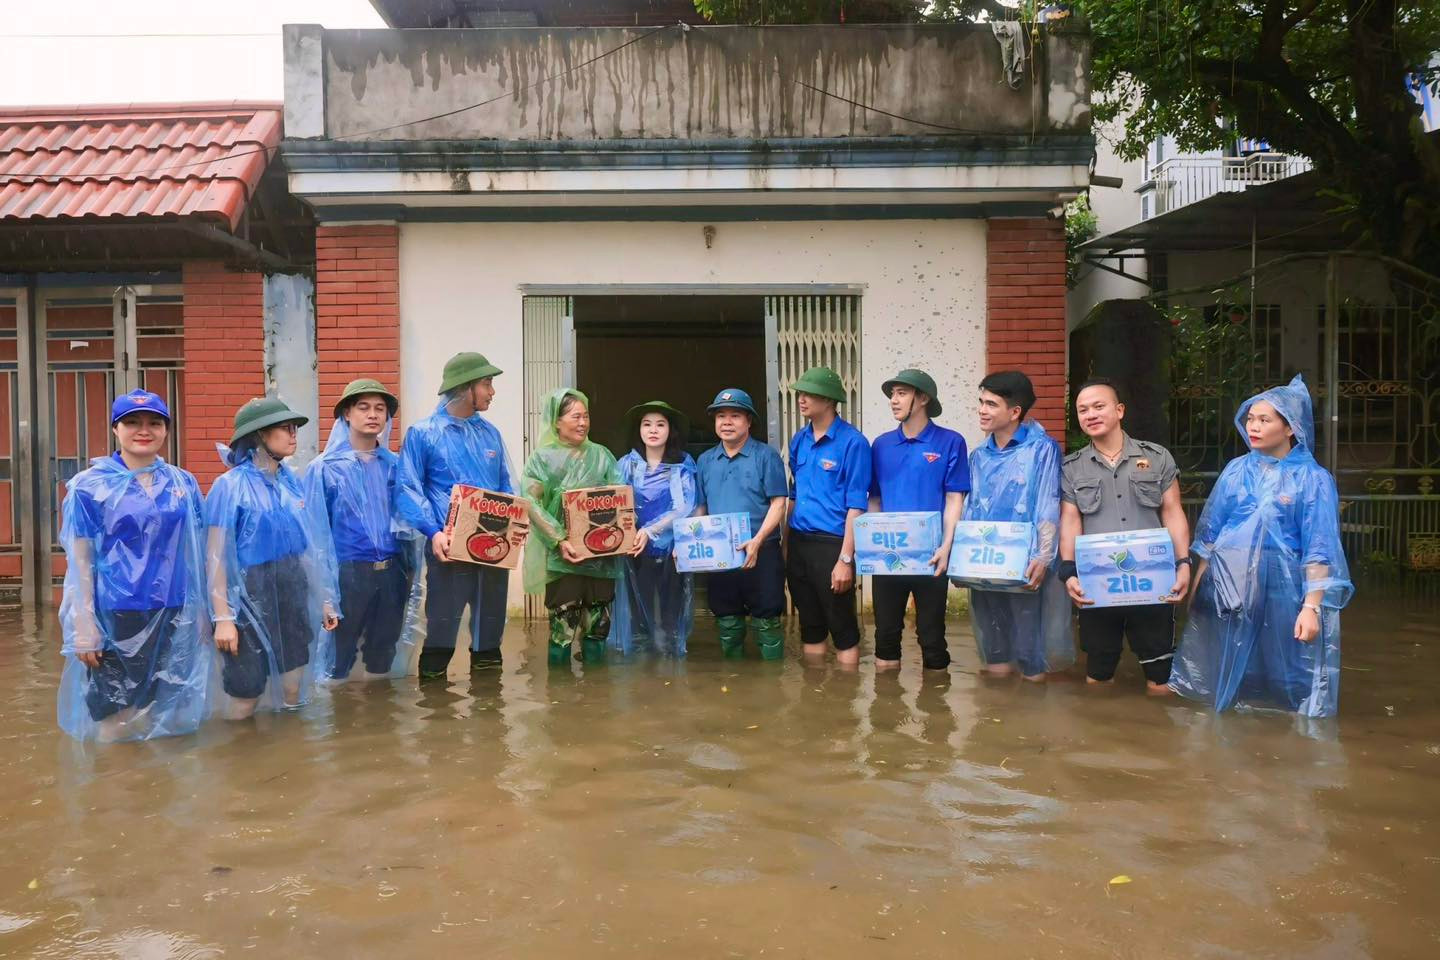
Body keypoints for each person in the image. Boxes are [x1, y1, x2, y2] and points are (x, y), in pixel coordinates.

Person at [1169, 374, 1351, 716]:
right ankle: (1231, 741)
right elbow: (1210, 537)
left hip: (1286, 587)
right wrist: (1198, 590)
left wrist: (1310, 608)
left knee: (1290, 666)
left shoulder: (1313, 480)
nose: (1253, 426)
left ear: (1290, 428)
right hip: (1230, 584)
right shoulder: (1236, 471)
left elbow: (1319, 547)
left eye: (1264, 420)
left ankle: (1290, 742)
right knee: (1231, 665)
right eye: (1250, 418)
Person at [57, 389, 212, 742]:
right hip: (117, 613)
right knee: (116, 712)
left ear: (166, 430)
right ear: (116, 429)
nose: (144, 430)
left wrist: (201, 610)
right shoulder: (88, 486)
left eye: (154, 423)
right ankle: (116, 790)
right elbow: (79, 560)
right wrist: (84, 623)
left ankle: (155, 790)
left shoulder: (182, 482)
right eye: (133, 422)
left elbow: (196, 550)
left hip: (175, 610)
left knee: (168, 706)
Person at [207, 397, 340, 719]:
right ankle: (241, 758)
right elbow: (215, 557)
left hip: (292, 586)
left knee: (293, 684)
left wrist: (323, 599)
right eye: (284, 428)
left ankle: (291, 758)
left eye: (294, 428)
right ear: (259, 435)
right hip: (249, 593)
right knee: (246, 691)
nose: (294, 434)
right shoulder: (228, 487)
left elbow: (307, 545)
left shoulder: (291, 481)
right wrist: (223, 618)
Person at [1058, 378, 1191, 693]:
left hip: (1153, 582)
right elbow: (1070, 520)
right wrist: (1068, 571)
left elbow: (1172, 511)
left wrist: (1183, 562)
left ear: (1119, 410)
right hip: (1097, 583)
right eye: (1082, 410)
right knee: (1098, 674)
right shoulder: (1072, 468)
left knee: (1160, 676)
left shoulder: (1156, 457)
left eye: (1098, 406)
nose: (1090, 414)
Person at [397, 352, 514, 679]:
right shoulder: (423, 434)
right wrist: (434, 532)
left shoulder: (490, 434)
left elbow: (506, 487)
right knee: (441, 636)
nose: (492, 391)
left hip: (491, 551)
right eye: (487, 383)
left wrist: (514, 524)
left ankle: (490, 715)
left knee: (489, 636)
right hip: (447, 551)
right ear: (464, 387)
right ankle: (436, 717)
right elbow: (407, 488)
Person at [960, 371, 1074, 680]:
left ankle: (1033, 721)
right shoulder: (978, 455)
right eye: (981, 402)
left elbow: (1048, 504)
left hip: (1025, 563)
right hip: (985, 562)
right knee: (994, 649)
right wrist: (962, 558)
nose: (982, 410)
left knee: (1028, 651)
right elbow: (970, 509)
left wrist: (1042, 556)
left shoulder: (1042, 450)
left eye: (991, 404)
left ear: (1015, 412)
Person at [304, 378, 419, 681]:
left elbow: (409, 522)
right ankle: (339, 723)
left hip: (392, 572)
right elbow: (315, 534)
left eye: (380, 409)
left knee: (383, 653)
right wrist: (326, 594)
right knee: (338, 656)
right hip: (348, 572)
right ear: (346, 414)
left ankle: (377, 722)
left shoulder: (395, 465)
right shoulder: (324, 467)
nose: (373, 415)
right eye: (364, 407)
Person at [868, 369, 969, 671]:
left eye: (901, 393)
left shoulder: (951, 441)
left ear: (922, 398)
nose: (893, 401)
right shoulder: (881, 445)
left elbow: (954, 499)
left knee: (933, 638)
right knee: (885, 637)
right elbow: (874, 498)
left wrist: (947, 546)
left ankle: (936, 711)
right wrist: (873, 545)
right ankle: (885, 712)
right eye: (892, 394)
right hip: (889, 556)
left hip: (931, 556)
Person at [521, 388, 623, 666]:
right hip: (562, 559)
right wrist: (559, 539)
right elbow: (530, 502)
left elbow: (621, 498)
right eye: (575, 416)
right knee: (562, 629)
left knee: (598, 627)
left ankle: (595, 697)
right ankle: (560, 696)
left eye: (586, 416)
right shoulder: (541, 459)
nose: (583, 423)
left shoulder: (602, 455)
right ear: (557, 421)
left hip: (602, 559)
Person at [785, 367, 871, 666]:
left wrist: (846, 560)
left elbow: (857, 505)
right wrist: (786, 545)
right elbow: (793, 495)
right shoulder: (799, 440)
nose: (802, 399)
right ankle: (817, 695)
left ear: (830, 400)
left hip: (832, 544)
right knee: (810, 626)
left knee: (843, 627)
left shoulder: (853, 443)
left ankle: (845, 701)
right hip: (799, 542)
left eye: (809, 394)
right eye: (801, 393)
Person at [694, 388, 789, 659]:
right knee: (727, 618)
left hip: (762, 550)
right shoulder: (706, 461)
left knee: (767, 619)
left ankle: (772, 684)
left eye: (735, 415)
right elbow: (702, 506)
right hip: (721, 554)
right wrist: (692, 541)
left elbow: (778, 503)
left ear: (749, 421)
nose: (726, 422)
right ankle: (733, 680)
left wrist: (757, 541)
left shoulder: (765, 456)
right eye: (720, 416)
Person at [609, 401, 698, 658]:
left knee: (672, 611)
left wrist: (650, 530)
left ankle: (670, 659)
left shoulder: (682, 464)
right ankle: (642, 663)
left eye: (660, 424)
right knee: (639, 609)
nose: (653, 430)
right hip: (635, 548)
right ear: (639, 430)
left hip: (672, 549)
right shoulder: (627, 465)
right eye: (647, 424)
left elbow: (684, 507)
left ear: (670, 430)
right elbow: (616, 503)